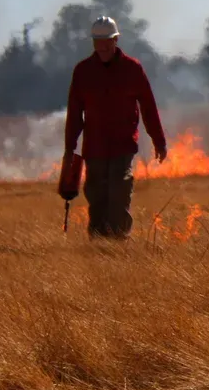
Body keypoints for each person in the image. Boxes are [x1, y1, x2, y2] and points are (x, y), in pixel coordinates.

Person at [61, 16, 167, 238]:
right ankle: (98, 247)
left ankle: (119, 244)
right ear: (92, 42)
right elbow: (74, 113)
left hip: (123, 145)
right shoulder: (83, 71)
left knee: (119, 192)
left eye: (108, 40)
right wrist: (70, 148)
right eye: (98, 40)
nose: (103, 45)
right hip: (95, 148)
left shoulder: (132, 69)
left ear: (116, 39)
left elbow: (148, 106)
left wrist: (159, 140)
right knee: (97, 197)